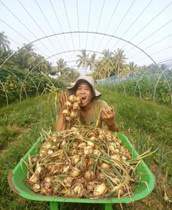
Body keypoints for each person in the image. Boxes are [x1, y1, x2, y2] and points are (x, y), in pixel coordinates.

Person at [54, 76, 120, 132]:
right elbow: (58, 134)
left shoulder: (101, 106)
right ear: (75, 93)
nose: (82, 92)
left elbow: (116, 134)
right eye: (79, 88)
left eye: (87, 89)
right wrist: (63, 110)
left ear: (92, 95)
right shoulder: (69, 108)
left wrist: (111, 124)